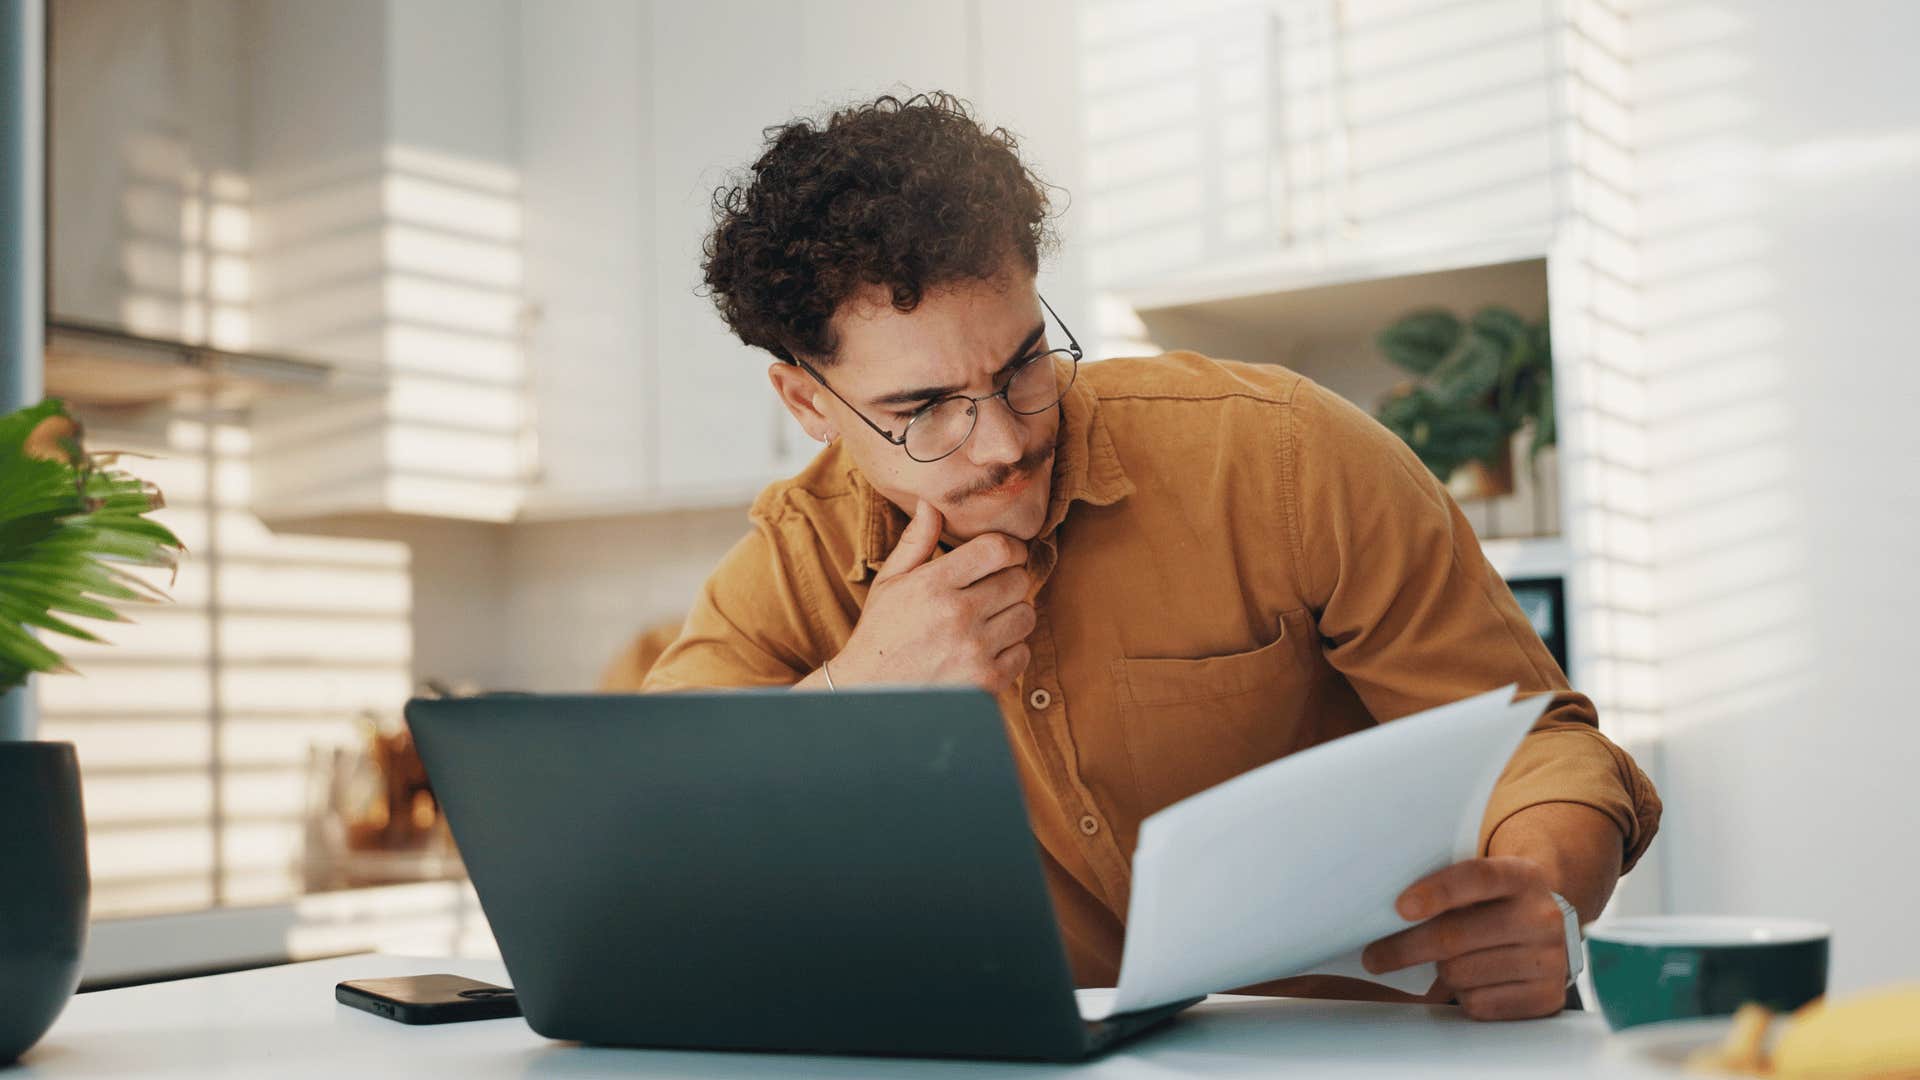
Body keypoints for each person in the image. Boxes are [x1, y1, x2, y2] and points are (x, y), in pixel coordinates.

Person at [640, 92, 1661, 1021]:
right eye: (923, 409)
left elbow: (1545, 746)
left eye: (1023, 364)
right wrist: (857, 697)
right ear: (810, 404)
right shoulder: (797, 554)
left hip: (1374, 1043)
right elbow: (642, 844)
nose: (1002, 441)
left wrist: (1548, 900)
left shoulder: (1285, 458)